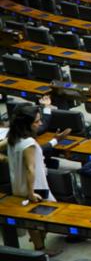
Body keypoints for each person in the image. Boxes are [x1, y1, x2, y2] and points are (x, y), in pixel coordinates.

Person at [0, 104, 56, 252]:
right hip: (36, 186)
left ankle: (39, 247)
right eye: (37, 121)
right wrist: (31, 192)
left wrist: (7, 159)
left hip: (18, 184)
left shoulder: (12, 137)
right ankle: (40, 243)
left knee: (31, 220)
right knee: (51, 217)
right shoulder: (29, 143)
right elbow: (30, 169)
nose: (40, 124)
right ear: (27, 124)